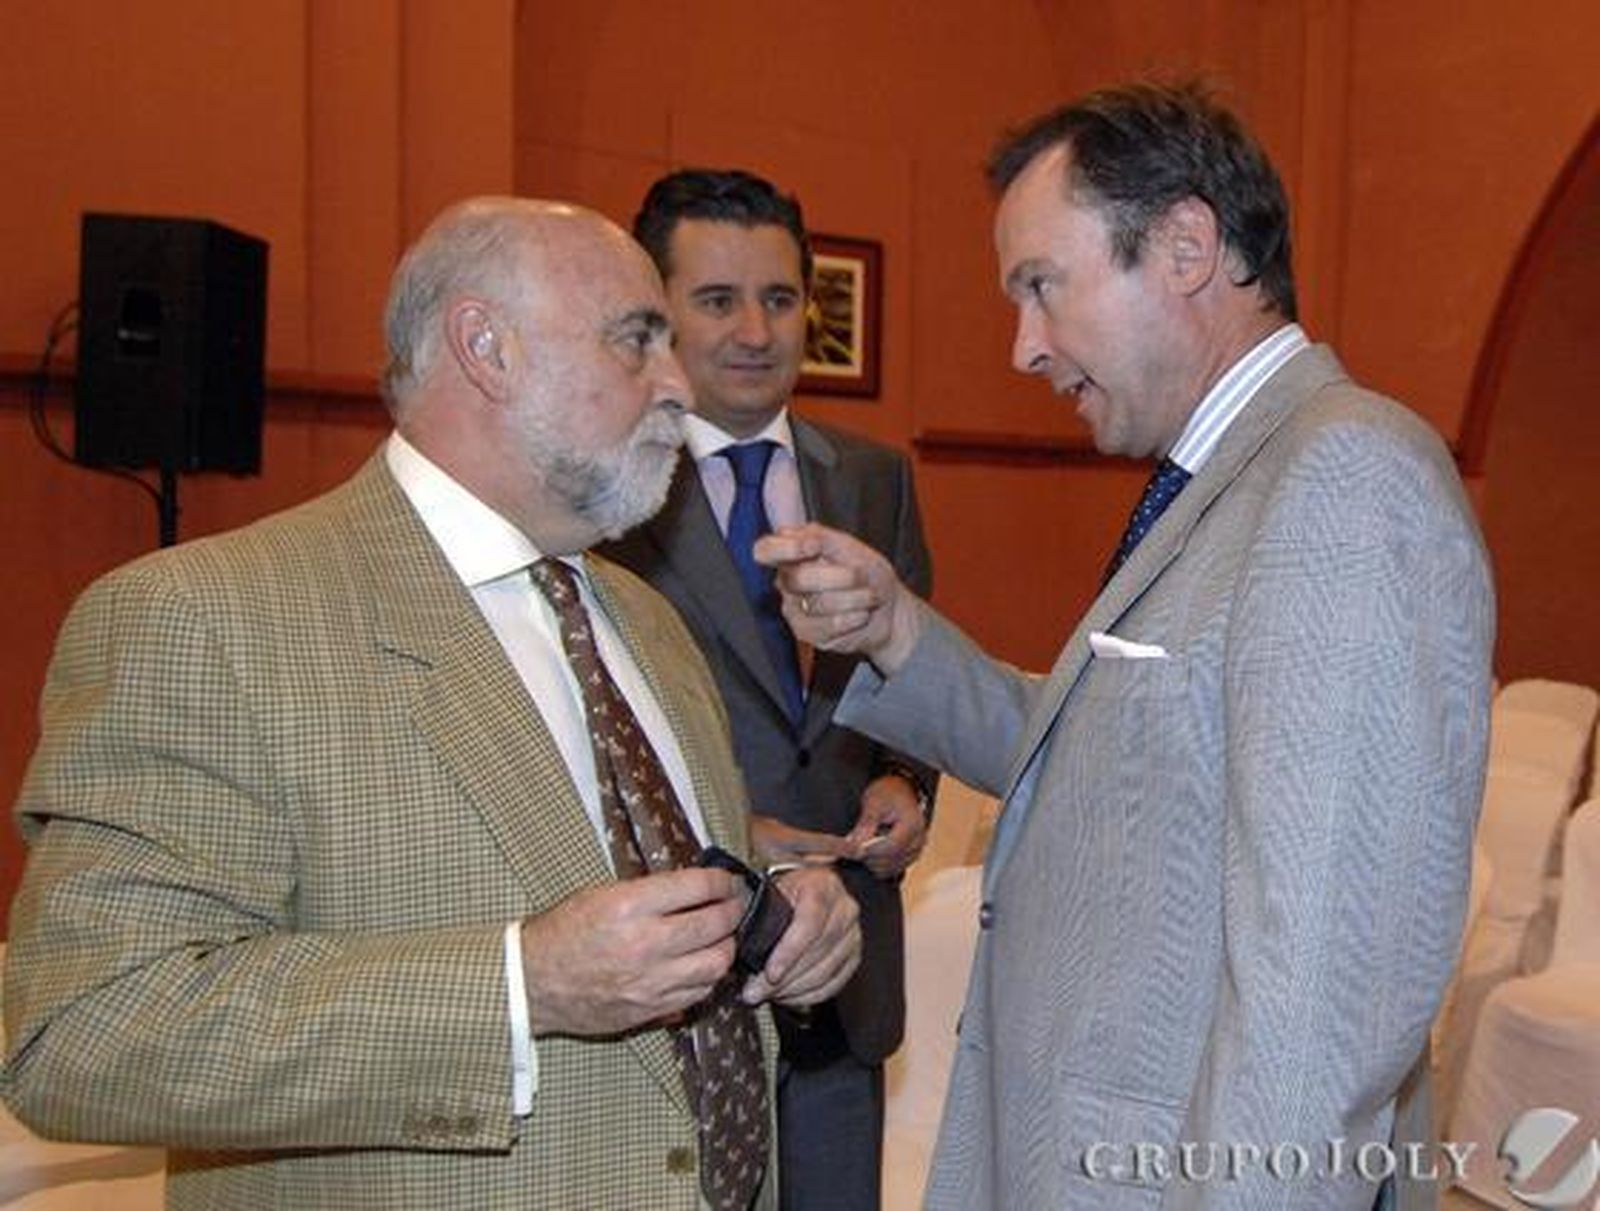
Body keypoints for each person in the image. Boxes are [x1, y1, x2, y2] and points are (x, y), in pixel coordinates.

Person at [1, 197, 863, 1210]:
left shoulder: (644, 621)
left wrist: (779, 912)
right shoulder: (205, 617)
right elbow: (84, 1029)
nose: (679, 385)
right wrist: (516, 986)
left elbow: (616, 881)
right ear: (485, 347)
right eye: (638, 339)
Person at [759, 82, 1494, 1210]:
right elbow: (1106, 768)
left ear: (1188, 246)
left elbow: (1319, 999)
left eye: (1042, 287)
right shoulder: (1224, 475)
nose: (1022, 347)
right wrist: (895, 630)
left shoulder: (1344, 479)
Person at [602, 168, 935, 1211]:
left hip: (849, 969)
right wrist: (725, 823)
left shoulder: (872, 478)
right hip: (687, 969)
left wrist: (903, 780)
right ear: (658, 313)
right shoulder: (604, 490)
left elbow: (909, 669)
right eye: (717, 300)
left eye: (780, 299)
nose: (755, 329)